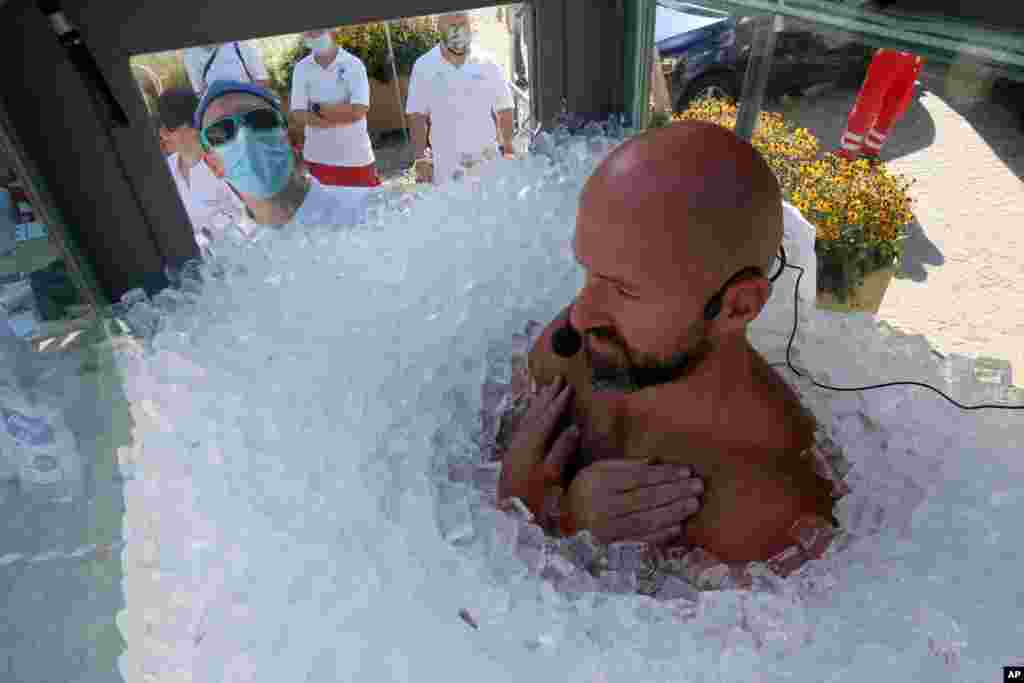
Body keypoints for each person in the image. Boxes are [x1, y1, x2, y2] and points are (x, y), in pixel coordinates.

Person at [496, 121, 842, 576]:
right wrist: (529, 506)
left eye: (624, 290)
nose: (579, 316)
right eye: (589, 273)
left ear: (738, 306)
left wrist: (550, 527)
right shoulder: (581, 347)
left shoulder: (767, 507)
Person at [194, 80, 374, 230]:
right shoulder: (230, 263)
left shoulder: (370, 211)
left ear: (292, 139)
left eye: (259, 119)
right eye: (221, 132)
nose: (245, 136)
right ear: (213, 166)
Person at [406, 11, 516, 185]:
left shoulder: (487, 62)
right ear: (439, 27)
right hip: (446, 168)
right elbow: (417, 116)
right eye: (451, 25)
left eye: (462, 23)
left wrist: (508, 148)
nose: (458, 31)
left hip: (486, 163)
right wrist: (420, 160)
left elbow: (504, 107)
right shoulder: (423, 66)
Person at [155, 87, 246, 249]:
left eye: (169, 127)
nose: (162, 134)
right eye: (162, 127)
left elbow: (251, 218)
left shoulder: (226, 162)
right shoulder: (165, 172)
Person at [288, 29, 381, 188]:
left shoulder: (354, 64)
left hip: (357, 158)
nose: (312, 35)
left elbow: (359, 110)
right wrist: (340, 114)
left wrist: (319, 110)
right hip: (318, 160)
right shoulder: (301, 68)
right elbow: (298, 113)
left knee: (367, 210)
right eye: (307, 32)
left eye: (317, 31)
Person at [837, 48, 924, 161]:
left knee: (894, 106)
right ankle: (846, 154)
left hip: (913, 58)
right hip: (893, 49)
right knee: (870, 100)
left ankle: (869, 153)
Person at [183, 41, 272, 97]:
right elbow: (200, 92)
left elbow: (263, 81)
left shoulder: (242, 43)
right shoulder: (191, 54)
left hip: (250, 105)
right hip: (221, 113)